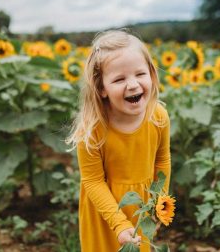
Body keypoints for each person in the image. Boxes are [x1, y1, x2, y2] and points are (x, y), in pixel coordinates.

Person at [66, 29, 171, 252]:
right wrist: (119, 224)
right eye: (119, 79)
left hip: (141, 207)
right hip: (106, 213)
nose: (132, 84)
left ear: (152, 75)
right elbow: (93, 181)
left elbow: (162, 161)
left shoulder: (158, 117)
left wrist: (159, 202)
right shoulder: (93, 130)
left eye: (140, 74)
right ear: (101, 88)